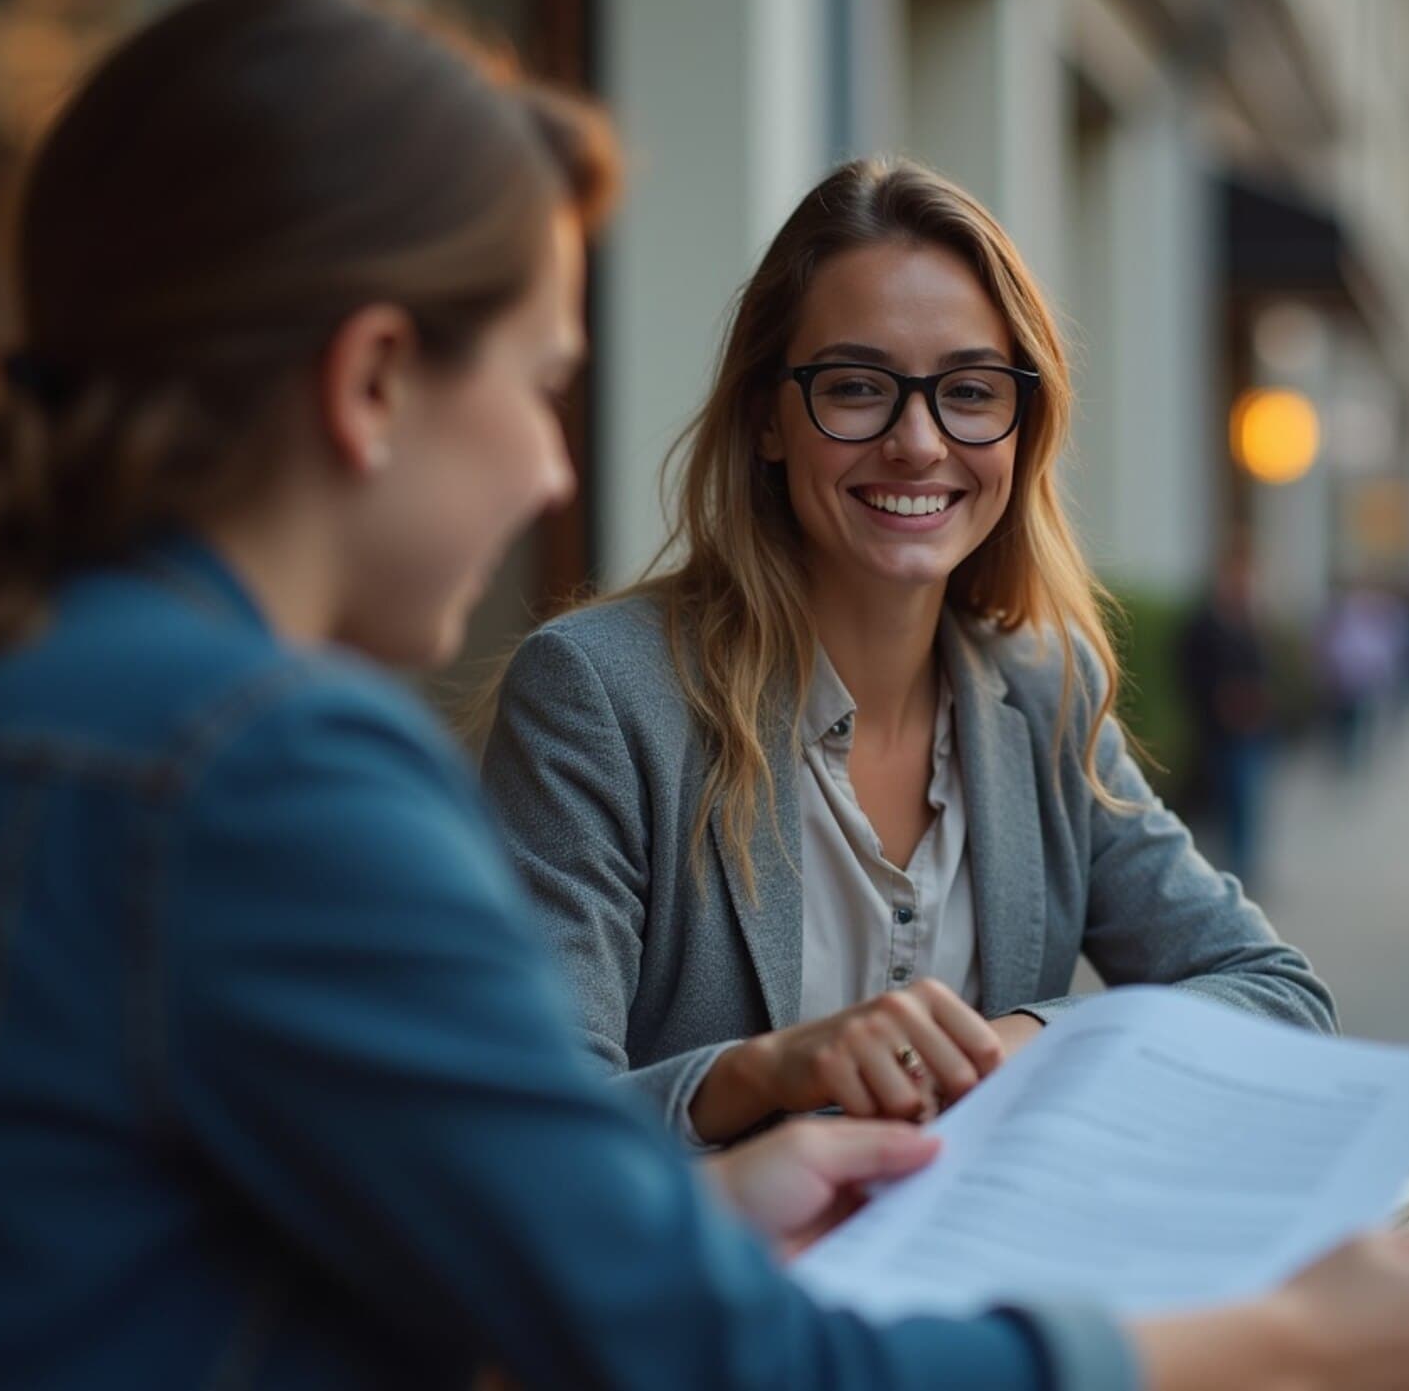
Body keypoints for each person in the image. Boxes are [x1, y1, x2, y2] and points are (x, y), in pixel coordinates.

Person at [0, 0, 1409, 1387]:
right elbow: (711, 1356)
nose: (551, 463)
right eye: (539, 384)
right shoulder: (256, 772)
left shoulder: (65, 699)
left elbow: (415, 1240)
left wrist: (714, 1207)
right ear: (369, 384)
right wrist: (1268, 1337)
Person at [481, 158, 1334, 1152]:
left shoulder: (1044, 694)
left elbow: (1279, 1001)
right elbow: (527, 1129)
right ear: (767, 417)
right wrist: (765, 1072)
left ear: (1022, 425)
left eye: (969, 391)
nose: (919, 442)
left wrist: (1028, 1043)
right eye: (855, 387)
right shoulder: (599, 695)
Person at [1177, 551, 1272, 883]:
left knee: (1249, 800)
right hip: (1218, 730)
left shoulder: (1247, 622)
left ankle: (1245, 866)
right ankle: (1227, 868)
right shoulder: (1204, 624)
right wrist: (1217, 702)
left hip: (1251, 727)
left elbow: (1261, 669)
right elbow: (1189, 673)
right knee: (1226, 801)